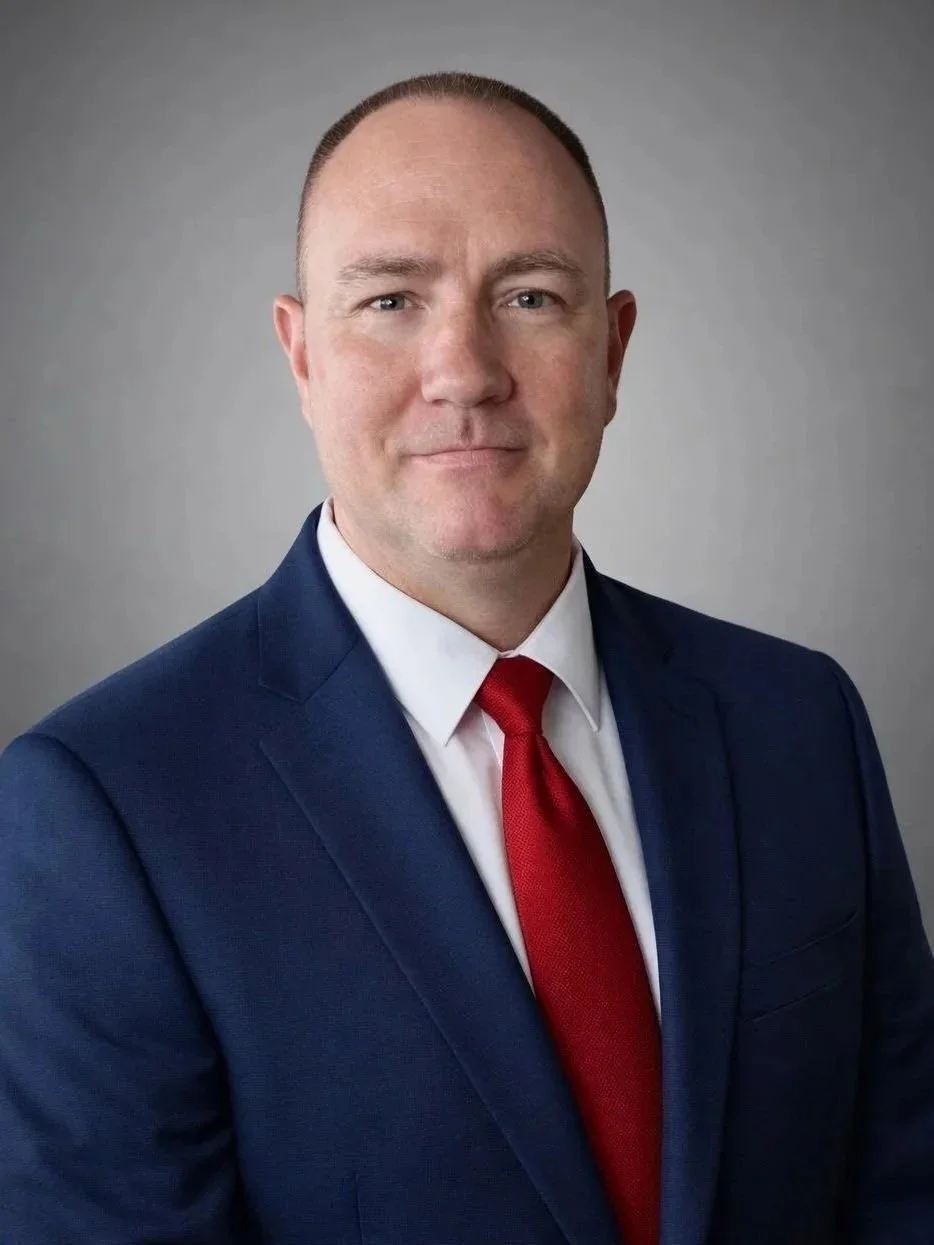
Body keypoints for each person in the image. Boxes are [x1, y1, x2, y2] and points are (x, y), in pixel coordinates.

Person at [1, 68, 932, 1245]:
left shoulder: (799, 723)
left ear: (613, 349)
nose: (465, 371)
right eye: (390, 301)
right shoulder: (104, 808)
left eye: (532, 297)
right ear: (300, 355)